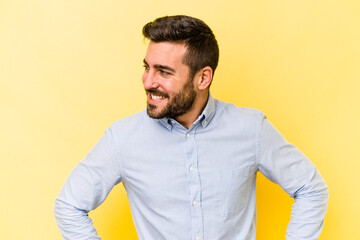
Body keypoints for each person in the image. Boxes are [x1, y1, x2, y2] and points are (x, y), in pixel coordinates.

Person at [54, 15, 329, 240]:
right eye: (146, 67)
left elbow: (311, 188)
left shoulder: (250, 128)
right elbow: (69, 205)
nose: (148, 81)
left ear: (203, 78)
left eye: (163, 71)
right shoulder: (123, 138)